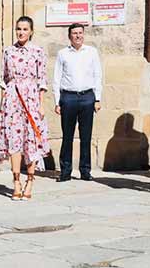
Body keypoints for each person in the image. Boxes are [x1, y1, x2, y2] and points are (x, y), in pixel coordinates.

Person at [0, 16, 49, 201]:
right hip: (12, 99)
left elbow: (42, 80)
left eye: (25, 29)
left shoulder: (38, 52)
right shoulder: (8, 51)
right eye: (18, 29)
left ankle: (30, 181)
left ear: (31, 31)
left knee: (30, 139)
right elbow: (4, 78)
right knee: (14, 140)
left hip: (31, 98)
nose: (21, 32)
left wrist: (41, 104)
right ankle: (16, 181)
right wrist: (4, 103)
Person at [53, 23, 102, 182]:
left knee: (85, 136)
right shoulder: (62, 54)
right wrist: (57, 101)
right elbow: (56, 78)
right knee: (67, 136)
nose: (78, 36)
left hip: (87, 97)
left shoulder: (92, 52)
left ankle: (85, 171)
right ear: (70, 36)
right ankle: (65, 171)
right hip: (68, 98)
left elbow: (97, 75)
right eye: (74, 33)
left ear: (84, 35)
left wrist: (97, 98)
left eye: (80, 33)